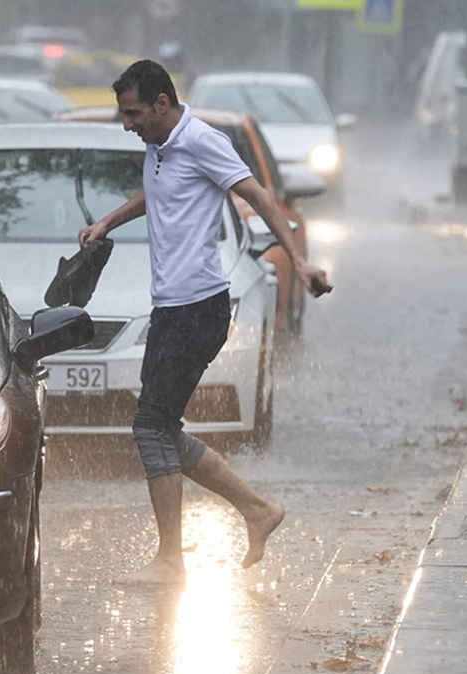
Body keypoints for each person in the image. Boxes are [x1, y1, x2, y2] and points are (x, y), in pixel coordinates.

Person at [77, 59, 330, 585]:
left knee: (150, 427)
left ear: (162, 104)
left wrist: (298, 262)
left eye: (134, 113)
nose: (128, 124)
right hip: (173, 308)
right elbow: (158, 192)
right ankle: (258, 510)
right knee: (162, 428)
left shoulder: (202, 140)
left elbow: (258, 196)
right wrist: (108, 220)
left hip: (199, 309)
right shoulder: (160, 144)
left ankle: (172, 560)